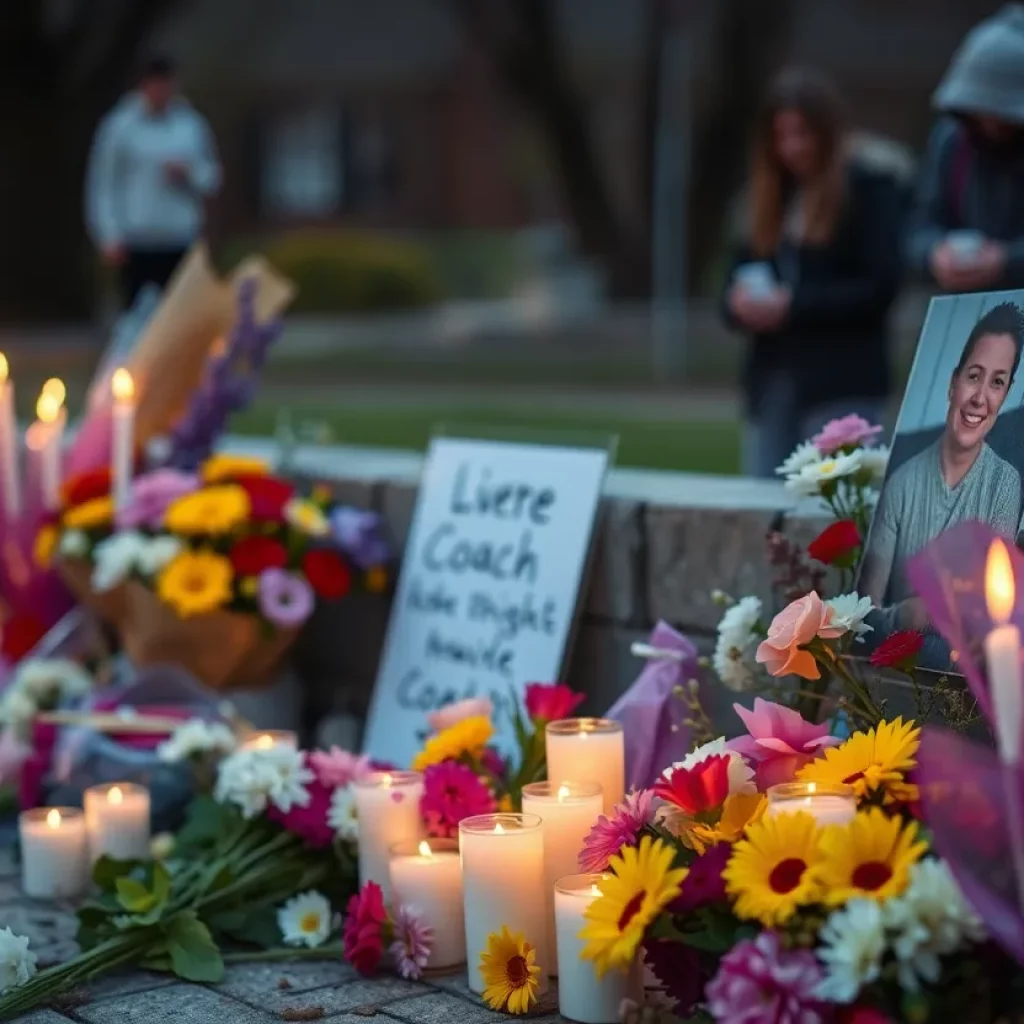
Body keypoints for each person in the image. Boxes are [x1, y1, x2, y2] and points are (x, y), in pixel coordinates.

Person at [721, 68, 904, 479]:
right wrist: (739, 306)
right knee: (764, 514)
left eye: (802, 133)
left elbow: (879, 287)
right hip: (772, 386)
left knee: (840, 515)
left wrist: (795, 306)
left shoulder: (869, 191)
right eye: (781, 136)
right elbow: (730, 284)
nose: (792, 148)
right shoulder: (765, 203)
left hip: (842, 384)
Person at [860, 302, 1024, 650]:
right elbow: (865, 619)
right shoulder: (902, 483)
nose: (980, 398)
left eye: (997, 382)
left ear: (1007, 394)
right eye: (974, 376)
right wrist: (906, 616)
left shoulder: (1004, 484)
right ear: (953, 383)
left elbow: (980, 612)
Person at [85, 54, 221, 306]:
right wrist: (108, 235)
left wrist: (188, 173)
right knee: (138, 315)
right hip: (137, 239)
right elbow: (104, 184)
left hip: (180, 236)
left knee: (182, 313)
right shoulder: (119, 127)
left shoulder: (190, 125)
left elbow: (211, 178)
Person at [906, 4, 1024, 293]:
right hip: (966, 310)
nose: (991, 125)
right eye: (981, 112)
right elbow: (919, 227)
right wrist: (935, 254)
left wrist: (1006, 260)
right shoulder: (951, 142)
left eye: (1002, 115)